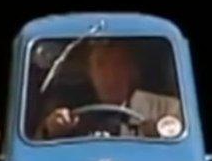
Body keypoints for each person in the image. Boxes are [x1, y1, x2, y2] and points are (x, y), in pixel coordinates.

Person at [36, 40, 181, 139]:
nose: (109, 74)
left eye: (117, 65)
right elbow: (37, 153)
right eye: (100, 65)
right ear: (90, 72)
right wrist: (51, 130)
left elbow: (183, 150)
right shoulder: (69, 107)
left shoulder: (167, 108)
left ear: (132, 71)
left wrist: (161, 132)